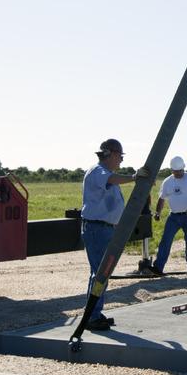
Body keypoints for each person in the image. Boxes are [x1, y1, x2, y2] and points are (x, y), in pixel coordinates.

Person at [79, 138, 141, 329]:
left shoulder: (106, 173)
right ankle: (91, 316)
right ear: (111, 154)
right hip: (97, 228)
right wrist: (134, 178)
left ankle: (94, 312)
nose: (121, 160)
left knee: (101, 273)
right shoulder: (98, 172)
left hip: (104, 228)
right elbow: (111, 180)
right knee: (100, 273)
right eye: (120, 156)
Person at [152, 156, 187, 275]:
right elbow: (162, 199)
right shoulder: (167, 182)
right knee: (165, 240)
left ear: (183, 168)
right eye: (176, 171)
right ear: (172, 170)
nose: (178, 173)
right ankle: (158, 267)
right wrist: (158, 212)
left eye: (180, 171)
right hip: (173, 217)